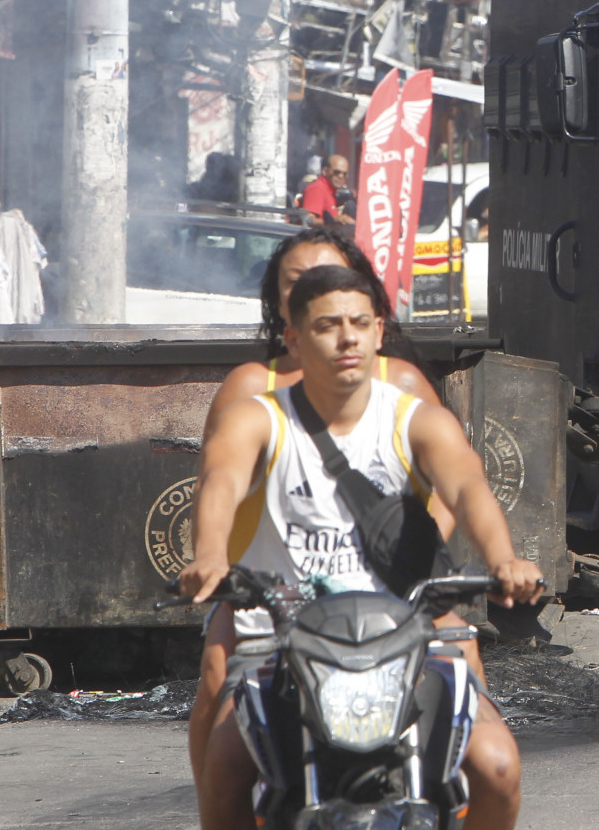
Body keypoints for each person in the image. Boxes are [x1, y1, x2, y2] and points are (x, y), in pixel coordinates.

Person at [182, 265, 544, 830]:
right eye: (327, 325)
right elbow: (221, 483)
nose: (347, 338)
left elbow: (469, 488)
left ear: (379, 331)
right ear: (295, 338)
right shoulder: (258, 419)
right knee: (225, 770)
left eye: (359, 323)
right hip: (281, 642)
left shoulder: (416, 419)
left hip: (408, 640)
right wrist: (210, 555)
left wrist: (504, 561)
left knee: (497, 769)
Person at [186, 226, 449, 786]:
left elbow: (453, 490)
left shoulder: (400, 382)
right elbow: (217, 488)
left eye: (332, 278)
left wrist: (423, 559)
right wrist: (213, 563)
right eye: (297, 283)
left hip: (395, 593)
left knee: (484, 737)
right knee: (215, 680)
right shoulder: (251, 388)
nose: (317, 288)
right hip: (270, 597)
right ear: (281, 306)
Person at [299, 153, 355, 225]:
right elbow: (307, 220)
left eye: (345, 174)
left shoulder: (330, 191)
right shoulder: (317, 188)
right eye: (336, 172)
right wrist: (335, 220)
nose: (341, 176)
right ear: (325, 171)